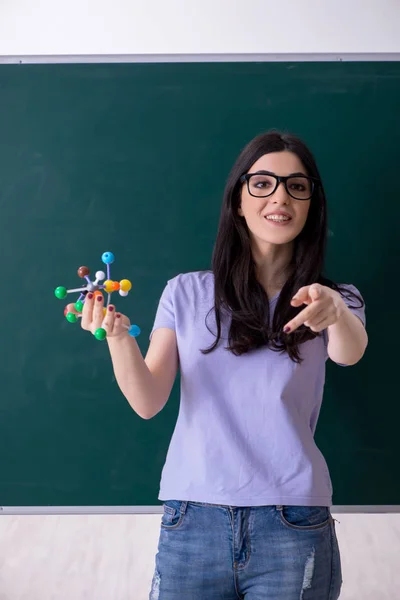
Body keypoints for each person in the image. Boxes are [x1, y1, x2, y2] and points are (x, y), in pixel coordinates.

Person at [67, 130, 367, 599]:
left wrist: (337, 311)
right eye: (263, 183)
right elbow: (148, 401)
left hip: (293, 522)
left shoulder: (335, 300)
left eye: (297, 186)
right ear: (239, 200)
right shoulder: (185, 292)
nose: (281, 197)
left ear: (311, 205)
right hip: (192, 521)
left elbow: (350, 352)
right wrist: (118, 337)